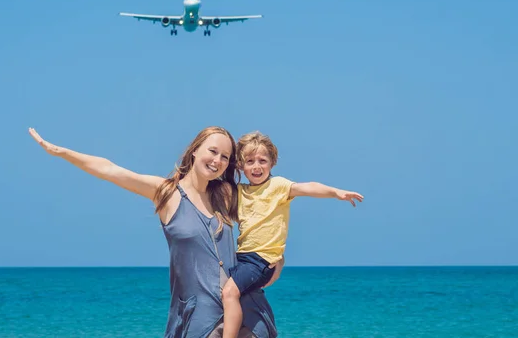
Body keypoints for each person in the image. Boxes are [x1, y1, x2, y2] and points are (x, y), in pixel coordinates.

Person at [28, 126, 281, 338]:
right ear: (195, 150)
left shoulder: (226, 195)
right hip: (200, 320)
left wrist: (276, 261)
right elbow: (111, 170)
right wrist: (59, 152)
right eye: (213, 151)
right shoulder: (168, 193)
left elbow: (269, 214)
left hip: (247, 314)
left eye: (225, 157)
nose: (217, 161)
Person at [220, 131, 365, 338]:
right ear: (241, 166)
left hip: (261, 260)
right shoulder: (240, 192)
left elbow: (308, 187)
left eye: (263, 160)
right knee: (231, 292)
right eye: (250, 161)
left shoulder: (277, 186)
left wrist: (335, 193)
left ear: (272, 162)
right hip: (243, 257)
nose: (257, 166)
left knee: (229, 293)